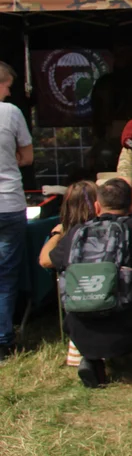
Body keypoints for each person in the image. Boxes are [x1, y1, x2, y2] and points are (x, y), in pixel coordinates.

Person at [43, 178, 132, 388]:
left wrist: (56, 234)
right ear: (131, 206)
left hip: (81, 330)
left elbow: (45, 260)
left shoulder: (77, 233)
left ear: (97, 206)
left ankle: (92, 359)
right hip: (131, 331)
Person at [38, 180, 98, 367]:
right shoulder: (110, 228)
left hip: (78, 299)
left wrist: (57, 234)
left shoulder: (70, 236)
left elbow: (45, 260)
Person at [0, 61, 32, 363]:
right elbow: (27, 156)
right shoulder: (11, 113)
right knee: (6, 275)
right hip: (8, 202)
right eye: (8, 85)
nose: (10, 92)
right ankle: (3, 340)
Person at [90, 45, 132, 170]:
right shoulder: (104, 83)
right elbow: (97, 115)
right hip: (111, 140)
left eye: (124, 53)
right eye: (118, 54)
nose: (121, 57)